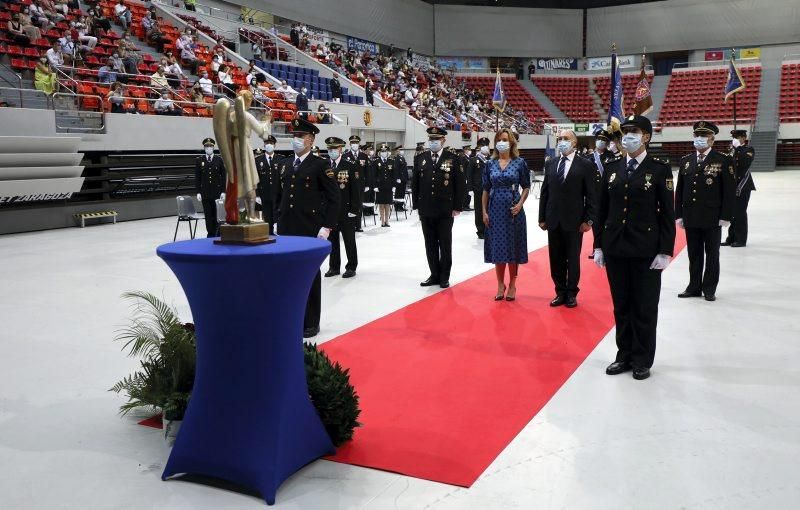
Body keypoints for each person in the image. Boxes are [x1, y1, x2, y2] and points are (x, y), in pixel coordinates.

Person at [593, 115, 676, 381]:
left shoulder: (660, 169)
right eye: (625, 132)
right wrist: (599, 246)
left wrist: (665, 250)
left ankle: (642, 358)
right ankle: (624, 354)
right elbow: (602, 210)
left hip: (645, 250)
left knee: (644, 306)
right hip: (616, 247)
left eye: (633, 132)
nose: (627, 136)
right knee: (622, 305)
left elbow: (667, 213)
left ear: (646, 137)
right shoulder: (612, 167)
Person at [275, 118, 340, 338]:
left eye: (300, 136)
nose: (296, 140)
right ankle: (291, 318)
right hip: (286, 228)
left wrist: (327, 226)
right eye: (294, 136)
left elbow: (334, 198)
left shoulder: (320, 165)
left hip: (309, 228)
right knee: (287, 275)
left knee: (310, 275)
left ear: (311, 140)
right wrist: (275, 219)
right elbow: (278, 196)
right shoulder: (284, 164)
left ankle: (311, 321)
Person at [676, 121, 735, 302]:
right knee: (694, 254)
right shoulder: (686, 161)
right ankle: (694, 287)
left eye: (704, 136)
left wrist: (725, 216)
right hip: (691, 216)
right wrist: (678, 214)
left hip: (712, 217)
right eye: (697, 136)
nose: (699, 139)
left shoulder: (723, 160)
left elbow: (729, 191)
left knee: (712, 254)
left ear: (712, 139)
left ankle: (709, 288)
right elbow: (680, 191)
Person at [538, 129, 597, 308]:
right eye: (559, 138)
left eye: (566, 138)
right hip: (553, 220)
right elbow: (545, 192)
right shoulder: (551, 163)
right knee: (555, 258)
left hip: (575, 221)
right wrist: (542, 217)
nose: (562, 141)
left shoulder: (585, 164)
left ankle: (571, 293)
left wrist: (589, 221)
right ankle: (560, 291)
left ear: (574, 142)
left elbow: (592, 196)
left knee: (572, 258)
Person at [411, 127, 465, 289]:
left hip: (445, 209)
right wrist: (416, 205)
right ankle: (434, 274)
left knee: (445, 244)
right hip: (426, 209)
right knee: (430, 244)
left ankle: (444, 276)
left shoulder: (453, 158)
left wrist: (457, 206)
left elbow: (460, 184)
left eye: (436, 139)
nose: (433, 142)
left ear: (443, 141)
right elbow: (415, 184)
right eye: (431, 139)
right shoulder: (421, 157)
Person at [483, 128, 531, 301]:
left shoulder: (519, 162)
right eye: (498, 139)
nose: (501, 142)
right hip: (494, 210)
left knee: (513, 248)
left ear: (511, 142)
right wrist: (484, 211)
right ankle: (499, 284)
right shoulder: (490, 164)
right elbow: (486, 189)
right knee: (497, 248)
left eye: (504, 139)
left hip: (513, 210)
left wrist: (520, 204)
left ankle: (512, 284)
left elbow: (526, 186)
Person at [324, 136, 362, 278]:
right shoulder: (325, 165)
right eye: (329, 149)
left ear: (340, 149)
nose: (332, 151)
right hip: (330, 211)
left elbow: (356, 190)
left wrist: (355, 209)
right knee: (332, 240)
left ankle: (351, 266)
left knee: (349, 240)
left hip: (346, 210)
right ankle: (334, 267)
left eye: (334, 148)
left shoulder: (350, 165)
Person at [723, 129, 756, 247]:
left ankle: (741, 239)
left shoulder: (748, 150)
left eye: (737, 137)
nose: (734, 139)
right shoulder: (731, 150)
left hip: (743, 185)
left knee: (740, 213)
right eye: (734, 137)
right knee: (732, 213)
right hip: (732, 184)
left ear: (743, 138)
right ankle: (731, 238)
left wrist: (738, 149)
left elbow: (745, 162)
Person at [587, 128, 615, 258]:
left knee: (608, 222)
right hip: (593, 195)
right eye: (599, 139)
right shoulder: (588, 158)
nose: (601, 141)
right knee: (596, 223)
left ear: (607, 142)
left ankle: (608, 246)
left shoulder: (612, 157)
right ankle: (597, 247)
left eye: (604, 140)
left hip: (608, 195)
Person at [195, 138, 226, 237]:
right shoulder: (199, 160)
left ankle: (218, 232)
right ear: (204, 148)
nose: (208, 148)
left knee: (216, 214)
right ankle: (210, 233)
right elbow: (197, 177)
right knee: (208, 215)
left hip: (216, 192)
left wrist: (223, 191)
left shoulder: (219, 159)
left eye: (210, 146)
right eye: (207, 146)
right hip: (205, 193)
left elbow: (224, 176)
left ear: (213, 147)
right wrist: (198, 192)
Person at [254, 135, 281, 235]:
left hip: (277, 194)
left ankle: (278, 238)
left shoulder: (280, 159)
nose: (269, 145)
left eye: (271, 143)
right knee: (267, 219)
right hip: (264, 194)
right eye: (267, 143)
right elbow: (255, 179)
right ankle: (268, 236)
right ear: (264, 145)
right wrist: (256, 194)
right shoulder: (258, 160)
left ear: (274, 145)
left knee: (277, 218)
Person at [343, 135, 369, 232]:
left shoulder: (364, 156)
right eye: (353, 143)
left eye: (356, 143)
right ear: (350, 144)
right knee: (349, 204)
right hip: (349, 185)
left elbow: (367, 171)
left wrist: (367, 184)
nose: (354, 145)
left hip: (360, 185)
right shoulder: (345, 156)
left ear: (359, 144)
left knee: (359, 204)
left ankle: (358, 225)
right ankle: (350, 225)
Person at [471, 137, 490, 239]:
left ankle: (489, 227)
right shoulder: (474, 160)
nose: (485, 147)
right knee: (479, 210)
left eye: (486, 145)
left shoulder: (491, 160)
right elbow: (469, 175)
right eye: (482, 146)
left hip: (489, 189)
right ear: (479, 147)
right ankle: (480, 230)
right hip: (478, 189)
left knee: (489, 208)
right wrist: (470, 189)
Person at [373, 143, 397, 227]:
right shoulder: (376, 161)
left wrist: (394, 186)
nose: (384, 153)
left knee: (387, 204)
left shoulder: (391, 161)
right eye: (382, 151)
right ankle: (382, 221)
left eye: (385, 151)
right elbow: (374, 175)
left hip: (389, 186)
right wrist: (375, 186)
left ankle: (387, 221)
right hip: (380, 187)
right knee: (381, 204)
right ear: (380, 152)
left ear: (388, 152)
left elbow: (394, 174)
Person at [392, 146, 408, 210]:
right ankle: (397, 206)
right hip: (399, 179)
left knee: (402, 193)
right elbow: (396, 169)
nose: (402, 151)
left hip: (403, 178)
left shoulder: (402, 158)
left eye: (402, 150)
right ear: (397, 151)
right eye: (400, 150)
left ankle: (401, 205)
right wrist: (397, 178)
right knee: (398, 193)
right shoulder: (397, 158)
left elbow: (404, 169)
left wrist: (406, 178)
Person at [460, 144, 473, 211]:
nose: (470, 151)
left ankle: (467, 205)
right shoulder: (463, 158)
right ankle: (464, 206)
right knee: (465, 192)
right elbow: (462, 169)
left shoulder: (469, 158)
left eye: (470, 149)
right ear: (465, 150)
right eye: (468, 149)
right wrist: (464, 178)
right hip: (465, 178)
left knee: (468, 192)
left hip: (469, 178)